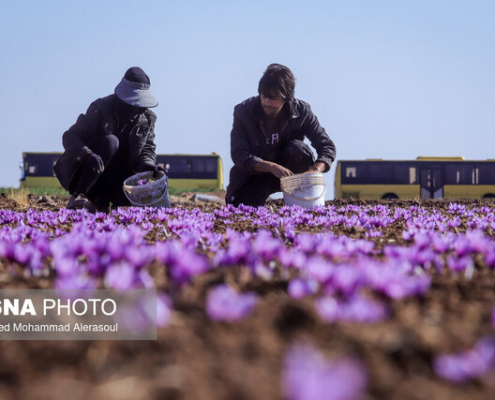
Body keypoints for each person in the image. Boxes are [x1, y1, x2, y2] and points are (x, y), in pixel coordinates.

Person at [54, 67, 168, 210]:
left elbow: (147, 148)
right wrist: (87, 155)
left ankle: (104, 202)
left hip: (119, 179)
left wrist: (148, 164)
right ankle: (80, 195)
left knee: (119, 207)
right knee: (111, 142)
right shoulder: (101, 107)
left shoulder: (148, 118)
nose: (137, 108)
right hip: (90, 175)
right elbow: (71, 137)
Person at [226, 63, 337, 207]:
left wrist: (314, 171)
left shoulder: (302, 111)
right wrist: (272, 167)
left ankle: (300, 204)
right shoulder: (244, 111)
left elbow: (327, 146)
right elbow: (238, 154)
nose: (267, 102)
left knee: (298, 150)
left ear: (286, 98)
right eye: (264, 96)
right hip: (255, 174)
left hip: (292, 175)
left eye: (273, 98)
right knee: (241, 208)